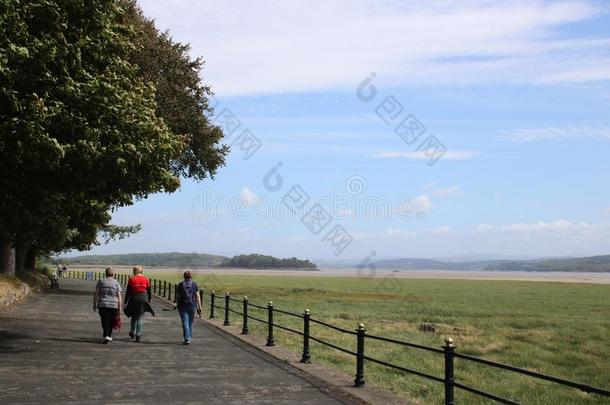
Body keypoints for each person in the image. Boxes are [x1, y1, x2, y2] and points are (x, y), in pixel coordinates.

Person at [124, 266, 154, 342]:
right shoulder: (146, 279)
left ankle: (132, 332)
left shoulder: (132, 279)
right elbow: (149, 290)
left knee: (133, 316)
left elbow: (128, 292)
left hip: (134, 298)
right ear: (141, 271)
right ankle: (138, 335)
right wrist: (149, 299)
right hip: (143, 298)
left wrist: (125, 302)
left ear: (134, 271)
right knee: (140, 317)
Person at [93, 267, 122, 344]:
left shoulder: (101, 281)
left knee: (104, 320)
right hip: (114, 305)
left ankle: (106, 335)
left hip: (103, 304)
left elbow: (96, 294)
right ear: (113, 273)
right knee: (112, 321)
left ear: (105, 273)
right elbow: (119, 296)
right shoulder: (116, 282)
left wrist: (94, 304)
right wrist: (119, 308)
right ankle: (108, 335)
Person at [174, 271, 202, 345]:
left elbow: (177, 296)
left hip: (182, 305)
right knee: (190, 322)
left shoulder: (180, 285)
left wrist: (176, 304)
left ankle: (187, 338)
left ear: (184, 277)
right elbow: (197, 296)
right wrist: (200, 306)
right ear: (191, 276)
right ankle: (189, 337)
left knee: (185, 322)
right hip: (192, 305)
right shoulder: (194, 284)